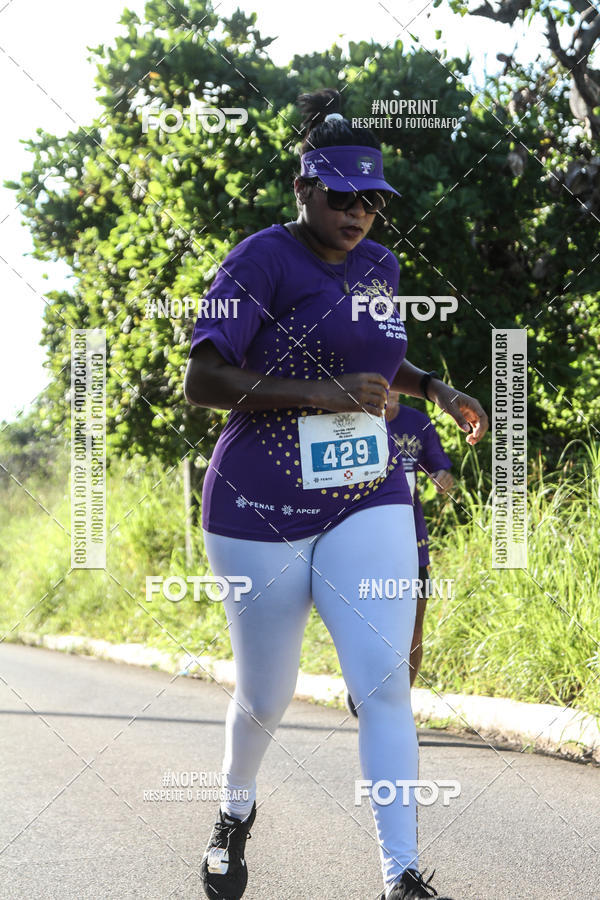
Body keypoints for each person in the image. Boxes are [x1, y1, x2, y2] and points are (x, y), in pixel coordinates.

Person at [184, 88, 488, 900]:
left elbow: (382, 365)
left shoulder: (381, 266)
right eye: (341, 197)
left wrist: (436, 390)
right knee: (265, 696)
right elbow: (203, 379)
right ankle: (233, 811)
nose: (359, 215)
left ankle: (401, 876)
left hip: (367, 490)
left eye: (372, 202)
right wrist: (325, 395)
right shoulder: (258, 260)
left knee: (384, 680)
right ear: (304, 190)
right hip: (259, 507)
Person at [345, 396, 454, 717]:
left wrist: (443, 478)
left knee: (413, 625)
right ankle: (362, 684)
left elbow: (439, 466)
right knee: (364, 621)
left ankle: (397, 707)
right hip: (361, 540)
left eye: (393, 383)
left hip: (411, 541)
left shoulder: (416, 422)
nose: (387, 391)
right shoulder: (346, 419)